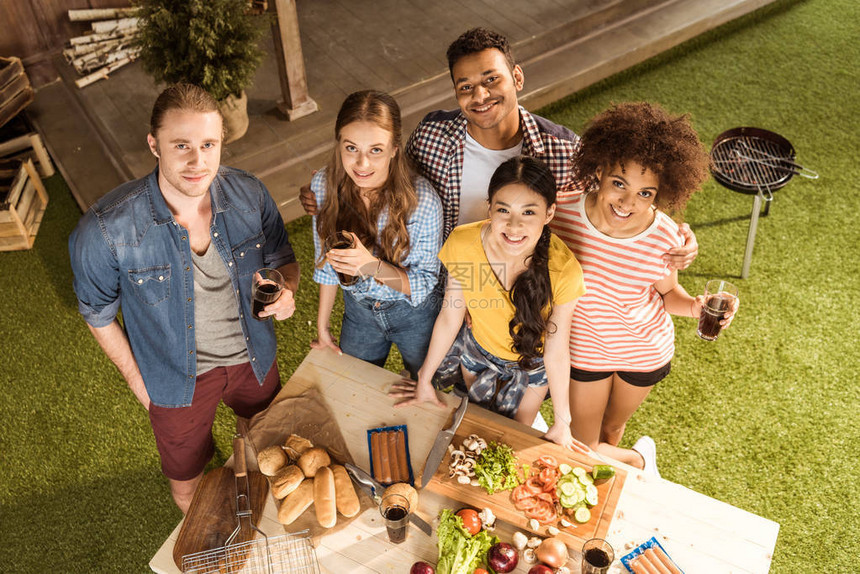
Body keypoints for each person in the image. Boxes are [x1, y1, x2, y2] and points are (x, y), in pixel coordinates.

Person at [68, 84, 300, 512]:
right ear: (154, 144)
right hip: (175, 378)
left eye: (208, 144)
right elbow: (97, 314)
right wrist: (143, 387)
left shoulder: (249, 193)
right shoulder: (105, 228)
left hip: (254, 357)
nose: (198, 162)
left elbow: (283, 258)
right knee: (189, 485)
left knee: (267, 449)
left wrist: (286, 291)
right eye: (182, 145)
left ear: (220, 143)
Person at [300, 27, 700, 269]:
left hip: (522, 287)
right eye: (466, 86)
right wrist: (331, 191)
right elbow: (386, 177)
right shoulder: (432, 135)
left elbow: (618, 195)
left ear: (518, 78)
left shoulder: (563, 148)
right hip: (448, 280)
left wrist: (672, 235)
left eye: (492, 80)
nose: (480, 95)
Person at [550, 102, 737, 475]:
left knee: (613, 428)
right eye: (619, 184)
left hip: (643, 351)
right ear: (599, 171)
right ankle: (638, 460)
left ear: (659, 193)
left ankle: (614, 472)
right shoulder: (563, 211)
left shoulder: (666, 234)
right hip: (584, 350)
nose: (627, 203)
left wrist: (698, 307)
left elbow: (669, 297)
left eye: (645, 193)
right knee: (583, 447)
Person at [390, 156, 588, 452]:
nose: (514, 225)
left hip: (530, 367)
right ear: (489, 208)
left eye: (529, 212)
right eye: (503, 210)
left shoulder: (564, 270)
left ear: (549, 213)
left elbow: (557, 351)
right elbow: (450, 315)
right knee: (475, 430)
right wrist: (424, 378)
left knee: (509, 444)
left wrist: (563, 421)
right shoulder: (463, 243)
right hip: (477, 354)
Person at [309, 90, 443, 377]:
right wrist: (322, 326)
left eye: (376, 150)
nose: (362, 164)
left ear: (395, 148)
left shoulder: (423, 201)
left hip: (414, 314)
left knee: (427, 386)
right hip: (358, 312)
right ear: (339, 145)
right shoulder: (323, 184)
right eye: (351, 148)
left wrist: (369, 265)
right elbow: (325, 263)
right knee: (353, 386)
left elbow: (424, 282)